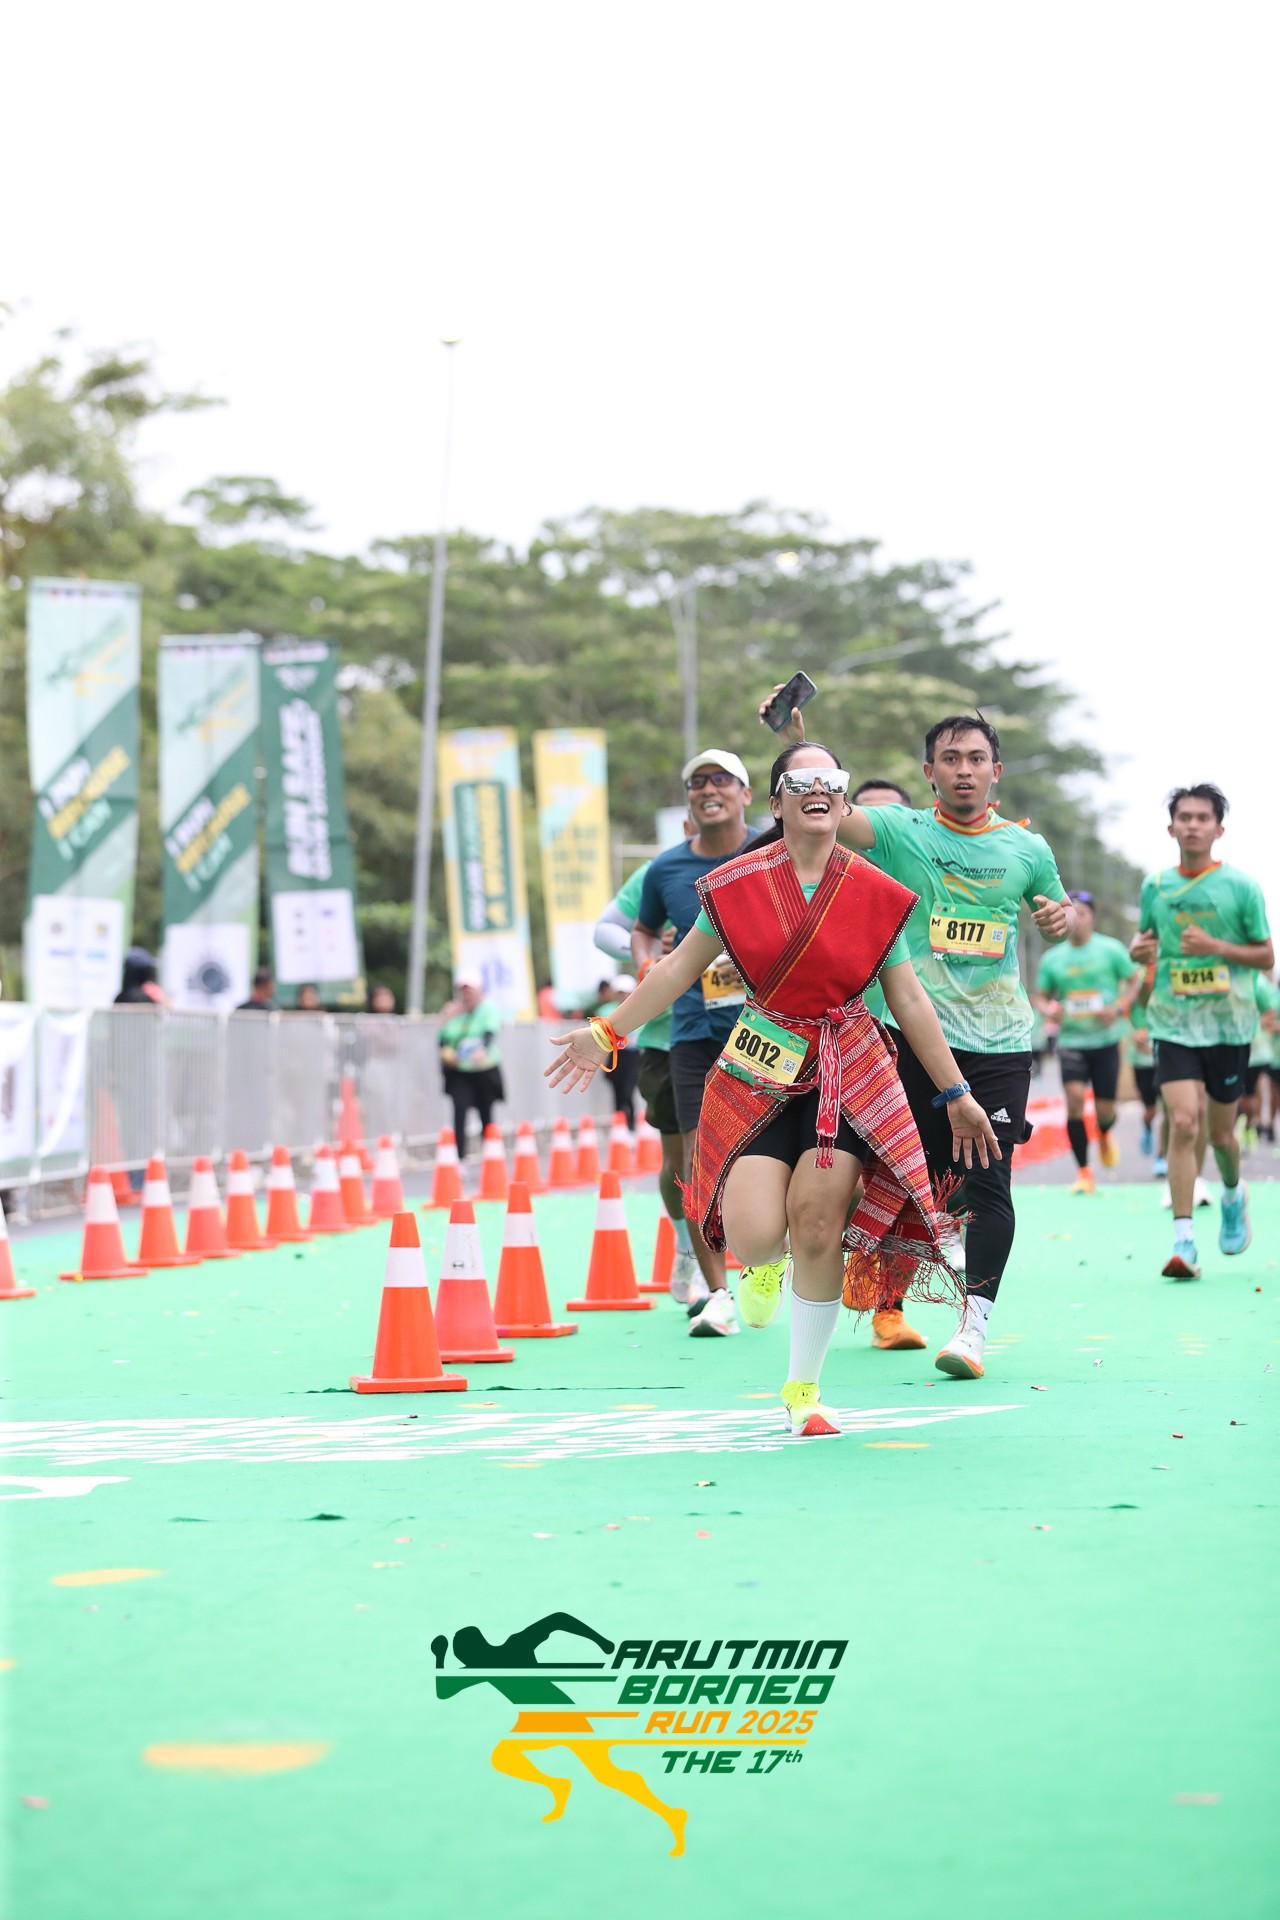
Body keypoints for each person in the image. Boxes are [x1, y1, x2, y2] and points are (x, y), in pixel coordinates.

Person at [548, 740, 997, 1437]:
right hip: (761, 1066)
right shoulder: (735, 885)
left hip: (846, 1068)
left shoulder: (879, 895)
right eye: (800, 780)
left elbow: (909, 1001)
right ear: (777, 802)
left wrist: (956, 1093)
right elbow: (675, 971)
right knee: (757, 1236)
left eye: (830, 780)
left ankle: (803, 1390)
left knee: (817, 1222)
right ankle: (761, 1267)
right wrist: (607, 1032)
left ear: (843, 802)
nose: (817, 790)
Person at [766, 694, 1074, 1380]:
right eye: (950, 759)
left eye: (976, 759)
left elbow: (1060, 913)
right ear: (929, 772)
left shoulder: (1027, 848)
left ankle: (973, 1329)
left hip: (997, 1044)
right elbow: (823, 811)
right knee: (891, 1178)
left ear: (996, 771)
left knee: (987, 1182)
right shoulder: (898, 830)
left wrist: (1061, 920)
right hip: (904, 1039)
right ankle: (847, 1277)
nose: (964, 770)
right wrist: (801, 752)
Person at [630, 750, 756, 1337]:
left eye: (721, 780)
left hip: (769, 1031)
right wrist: (646, 965)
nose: (709, 790)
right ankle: (718, 1293)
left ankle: (767, 1262)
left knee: (770, 1158)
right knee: (694, 1163)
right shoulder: (665, 869)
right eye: (697, 782)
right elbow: (642, 930)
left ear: (746, 794)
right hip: (691, 1034)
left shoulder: (771, 852)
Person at [1131, 784, 1273, 1277]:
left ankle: (1233, 1195)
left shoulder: (1242, 887)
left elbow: (1266, 955)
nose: (1193, 825)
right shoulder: (1155, 886)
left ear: (1219, 829)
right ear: (1171, 828)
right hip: (1172, 1022)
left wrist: (1215, 946)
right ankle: (1184, 1239)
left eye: (1202, 818)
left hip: (1229, 1026)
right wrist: (1138, 951)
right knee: (1185, 1123)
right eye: (1185, 817)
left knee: (1221, 1135)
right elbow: (1144, 941)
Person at [595, 866, 702, 1301]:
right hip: (666, 1040)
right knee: (680, 1159)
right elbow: (604, 931)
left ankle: (761, 1252)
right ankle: (688, 1246)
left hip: (742, 1034)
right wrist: (651, 952)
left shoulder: (761, 850)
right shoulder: (662, 869)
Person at [1034, 890, 1140, 1193]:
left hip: (1106, 1040)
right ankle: (1083, 1172)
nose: (1078, 920)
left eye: (1083, 914)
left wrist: (1119, 1008)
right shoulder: (1053, 958)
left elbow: (1135, 979)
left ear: (1093, 917)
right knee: (1075, 1100)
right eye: (1073, 913)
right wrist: (1050, 1010)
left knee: (1106, 1110)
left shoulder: (1111, 949)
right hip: (1072, 1041)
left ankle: (1104, 1132)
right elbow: (1041, 997)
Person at [439, 972, 506, 1147]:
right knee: (460, 1110)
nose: (466, 994)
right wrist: (447, 1055)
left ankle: (490, 1151)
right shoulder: (452, 1011)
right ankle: (459, 1155)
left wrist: (481, 1049)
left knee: (486, 1111)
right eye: (463, 990)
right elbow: (443, 1039)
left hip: (483, 1068)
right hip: (460, 1070)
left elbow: (489, 1033)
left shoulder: (487, 1009)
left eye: (470, 989)